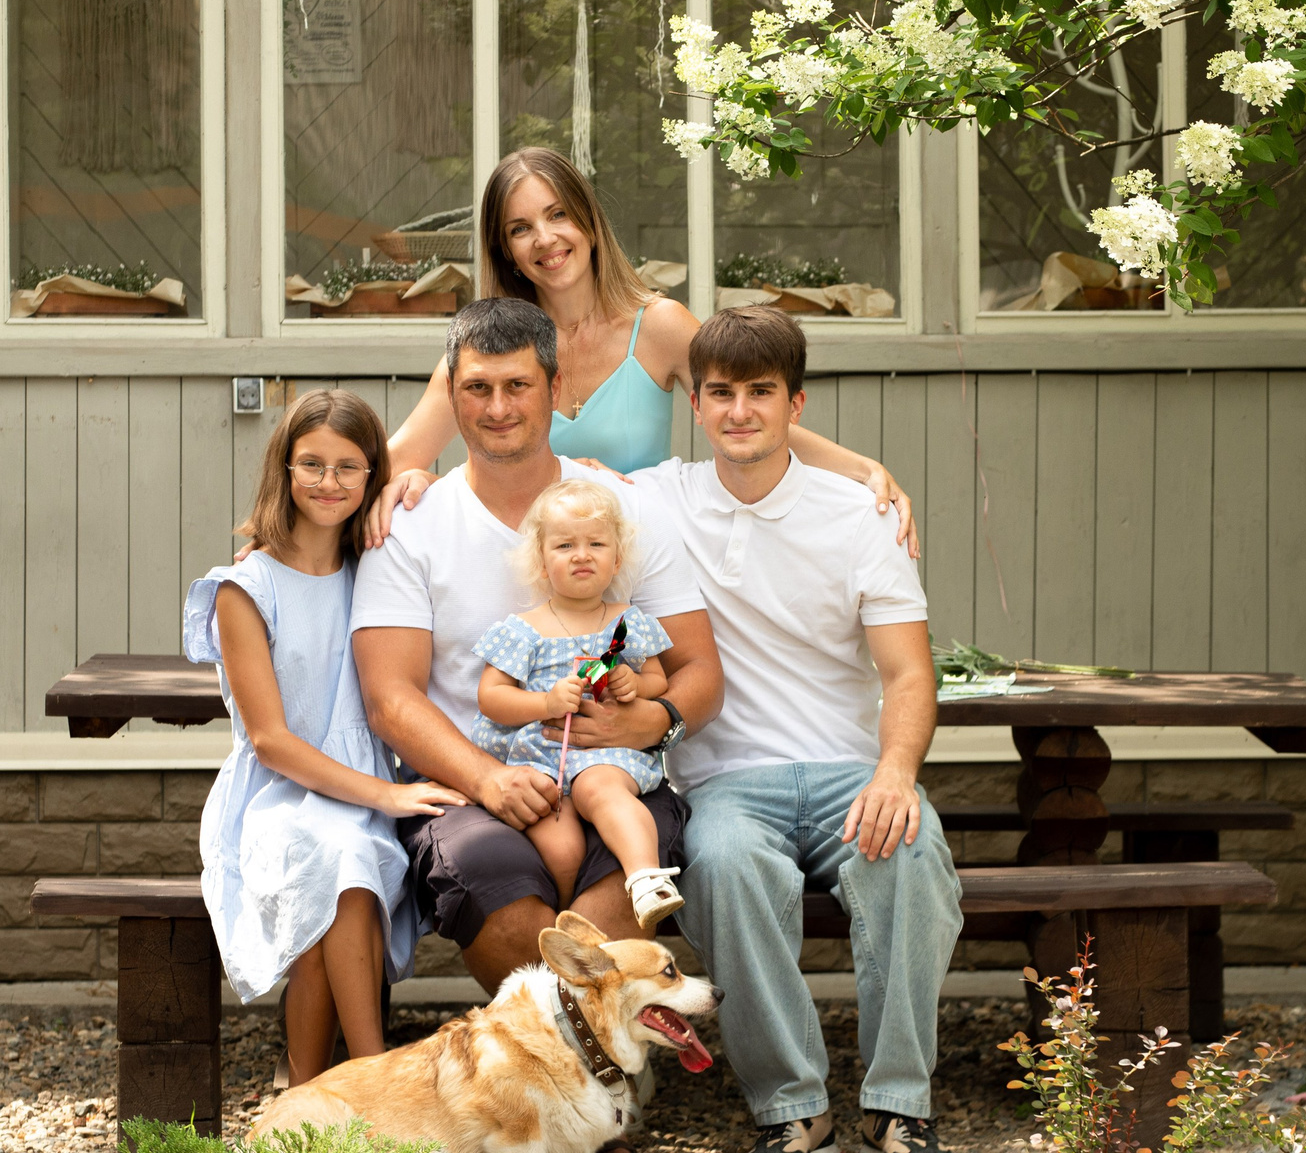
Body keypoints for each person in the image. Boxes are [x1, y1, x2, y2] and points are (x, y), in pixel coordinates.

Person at [631, 306, 964, 1153]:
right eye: (722, 393)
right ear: (696, 404)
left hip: (853, 770)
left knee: (910, 852)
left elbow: (907, 674)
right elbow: (537, 481)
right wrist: (407, 483)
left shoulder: (858, 516)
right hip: (730, 778)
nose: (741, 411)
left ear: (796, 403)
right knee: (724, 861)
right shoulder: (656, 498)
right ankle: (794, 1110)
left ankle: (899, 1105)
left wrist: (897, 773)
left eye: (761, 392)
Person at [354, 297, 721, 1008]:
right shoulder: (412, 525)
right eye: (477, 388)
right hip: (469, 784)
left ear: (554, 391)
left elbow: (700, 671)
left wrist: (656, 720)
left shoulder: (623, 511)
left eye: (517, 385)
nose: (497, 407)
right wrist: (489, 779)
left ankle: (573, 1082)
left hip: (617, 776)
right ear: (451, 396)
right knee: (499, 893)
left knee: (621, 884)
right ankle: (582, 1076)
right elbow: (389, 697)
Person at [367, 147, 917, 552]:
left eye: (558, 215)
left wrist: (863, 469)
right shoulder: (486, 349)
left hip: (635, 572)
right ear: (505, 250)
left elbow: (746, 411)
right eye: (520, 228)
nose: (545, 239)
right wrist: (419, 484)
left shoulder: (658, 327)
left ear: (588, 221)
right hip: (515, 566)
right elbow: (397, 458)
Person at [183, 389, 466, 1085]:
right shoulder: (244, 587)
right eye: (311, 464)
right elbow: (271, 740)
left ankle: (311, 1089)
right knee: (340, 865)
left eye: (349, 467)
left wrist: (415, 479)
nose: (328, 482)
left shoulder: (375, 565)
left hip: (362, 788)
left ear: (370, 475)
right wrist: (386, 795)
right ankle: (371, 1078)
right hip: (278, 796)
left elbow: (423, 495)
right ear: (283, 468)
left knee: (340, 884)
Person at [472, 478, 684, 927]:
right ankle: (566, 920)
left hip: (604, 754)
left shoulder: (626, 623)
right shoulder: (524, 629)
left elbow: (657, 679)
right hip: (543, 760)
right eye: (565, 544)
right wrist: (545, 702)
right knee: (562, 846)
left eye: (596, 543)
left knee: (599, 790)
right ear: (542, 561)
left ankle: (646, 878)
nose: (582, 554)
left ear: (616, 559)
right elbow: (491, 698)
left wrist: (632, 684)